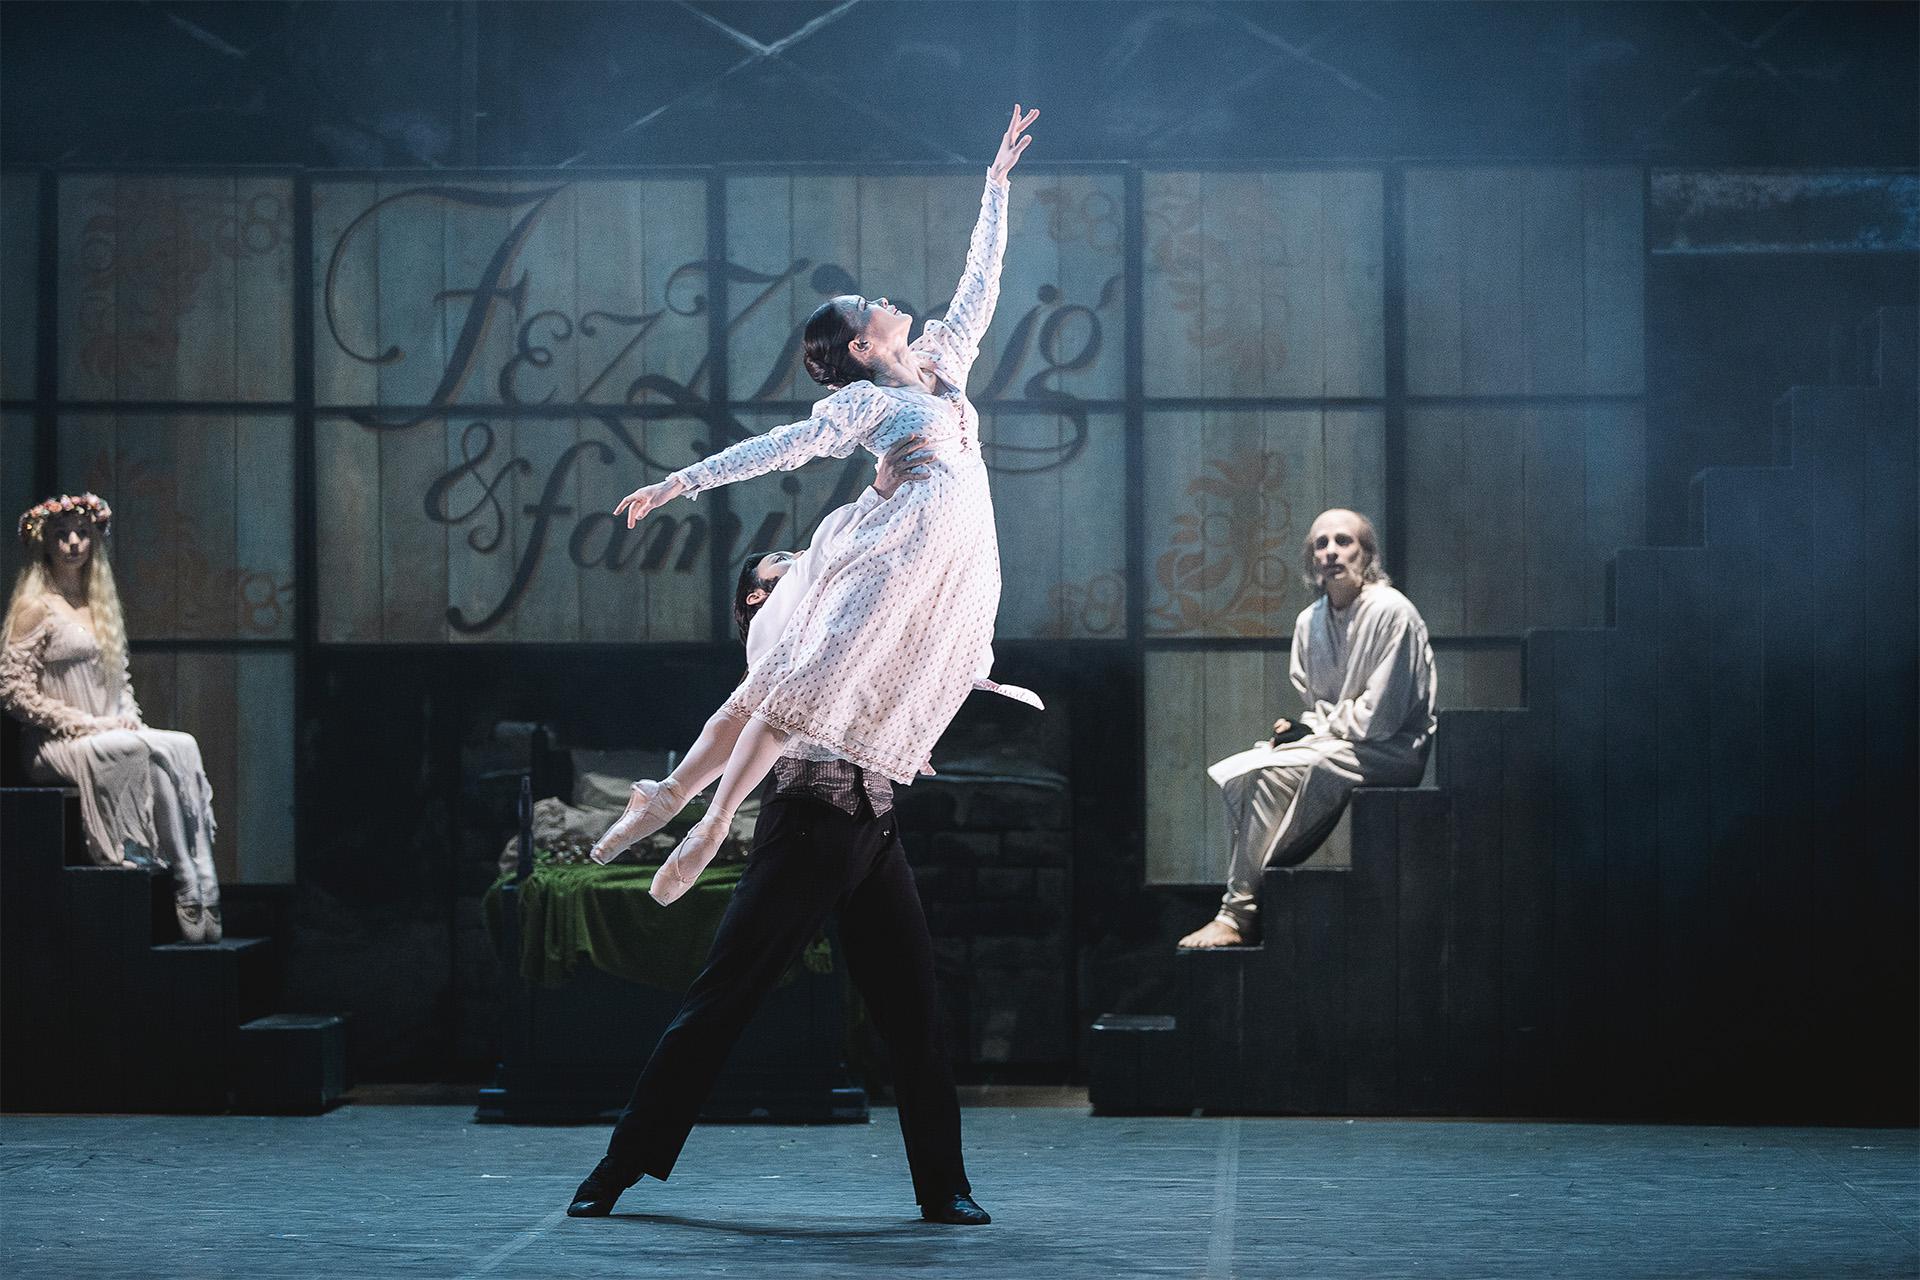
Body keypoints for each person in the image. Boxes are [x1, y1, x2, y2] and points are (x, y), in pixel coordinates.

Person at [601, 104, 1040, 906]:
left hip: (955, 561)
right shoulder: (867, 405)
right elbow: (779, 448)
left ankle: (683, 804)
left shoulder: (942, 363)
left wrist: (996, 186)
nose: (877, 297)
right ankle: (693, 812)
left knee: (851, 684)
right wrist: (680, 481)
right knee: (804, 680)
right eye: (862, 306)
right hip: (897, 551)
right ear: (864, 349)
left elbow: (983, 283)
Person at [566, 440, 994, 1227]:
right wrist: (692, 806)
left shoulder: (834, 619)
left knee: (916, 1016)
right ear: (757, 601)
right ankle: (618, 1167)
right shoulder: (779, 638)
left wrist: (884, 488)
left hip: (874, 826)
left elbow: (858, 561)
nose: (799, 567)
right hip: (806, 826)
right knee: (723, 1000)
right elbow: (738, 723)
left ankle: (945, 1187)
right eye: (780, 570)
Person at [1179, 508, 1436, 949]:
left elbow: (1381, 717)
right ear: (1311, 560)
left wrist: (1317, 728)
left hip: (1393, 749)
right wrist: (1301, 728)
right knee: (1248, 772)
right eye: (1322, 544)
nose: (1332, 552)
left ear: (1366, 554)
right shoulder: (1309, 622)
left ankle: (1237, 912)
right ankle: (1253, 899)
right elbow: (1321, 707)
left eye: (1344, 541)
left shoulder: (1393, 612)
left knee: (1281, 771)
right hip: (1339, 743)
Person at [0, 493, 222, 943]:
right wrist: (86, 724)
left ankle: (203, 875)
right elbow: (13, 691)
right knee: (136, 749)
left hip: (106, 730)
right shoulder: (35, 607)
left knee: (179, 744)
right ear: (46, 544)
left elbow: (119, 685)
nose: (73, 543)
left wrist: (126, 718)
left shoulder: (98, 606)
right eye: (62, 536)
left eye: (81, 534)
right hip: (56, 742)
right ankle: (183, 875)